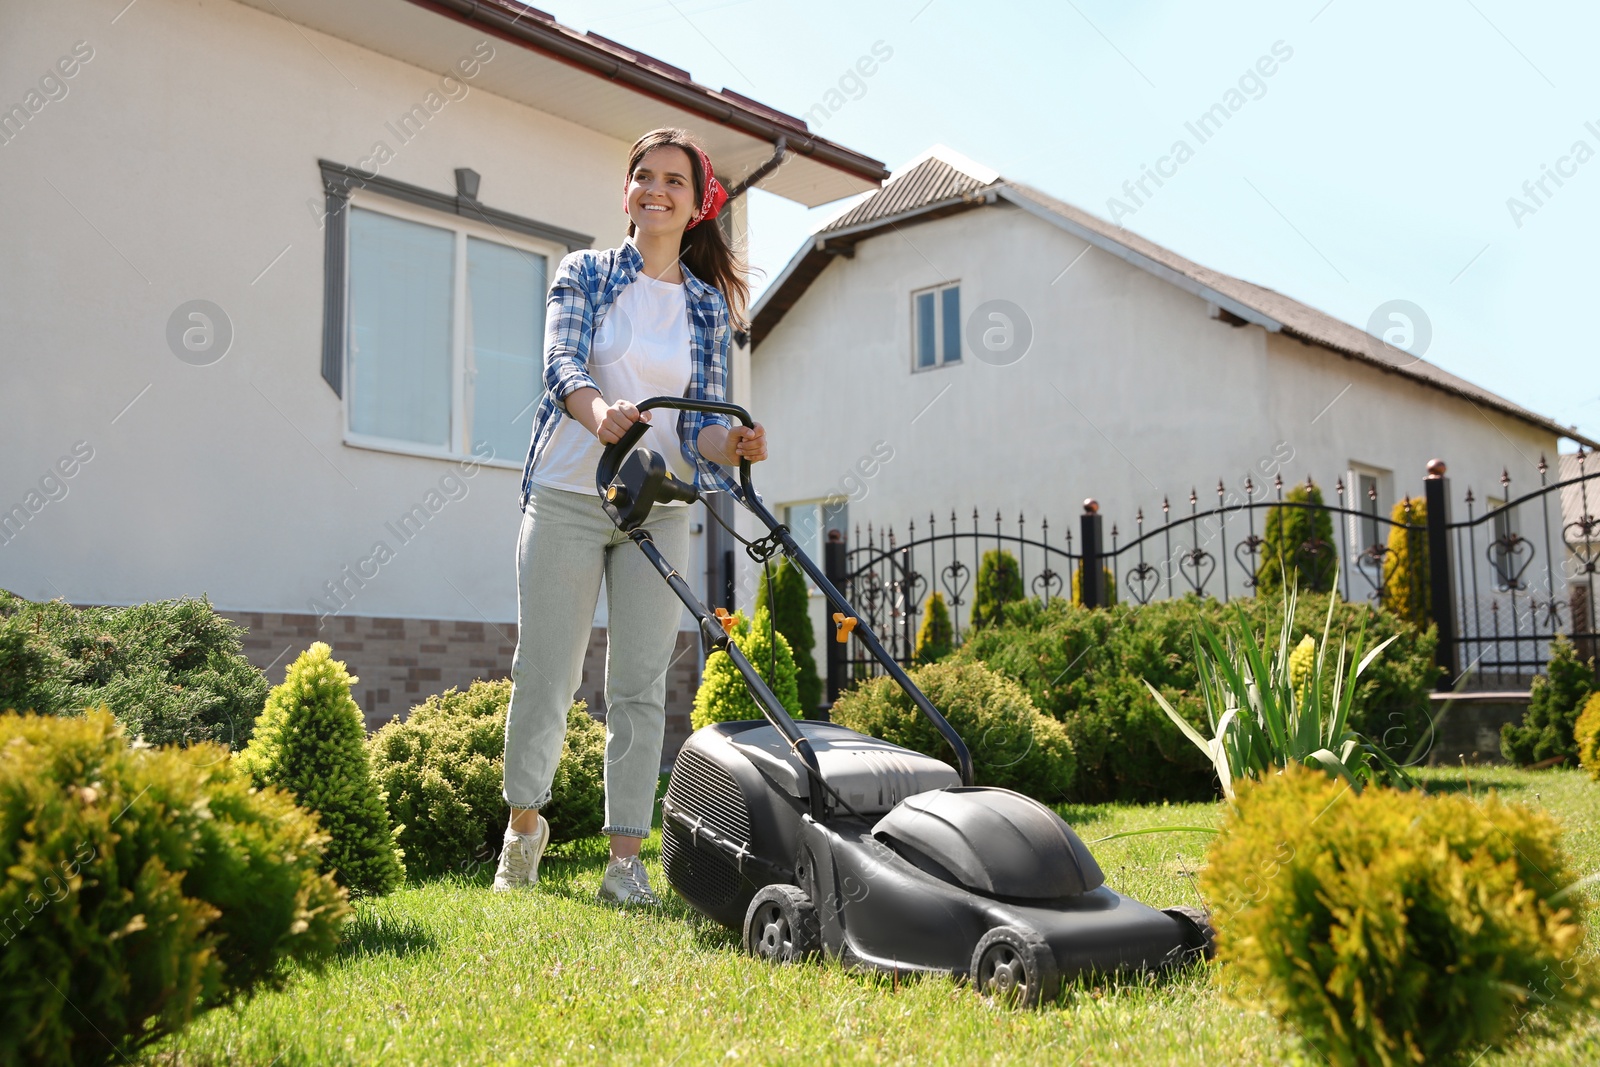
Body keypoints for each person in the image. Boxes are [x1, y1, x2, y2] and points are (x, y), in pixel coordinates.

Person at [494, 128, 767, 905]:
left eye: (673, 180)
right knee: (547, 671)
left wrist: (734, 439)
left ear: (695, 203)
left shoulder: (707, 307)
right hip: (570, 495)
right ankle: (522, 834)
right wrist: (597, 411)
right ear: (627, 194)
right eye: (643, 177)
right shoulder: (584, 272)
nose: (656, 189)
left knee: (643, 682)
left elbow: (700, 425)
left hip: (657, 506)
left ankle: (624, 860)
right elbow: (560, 364)